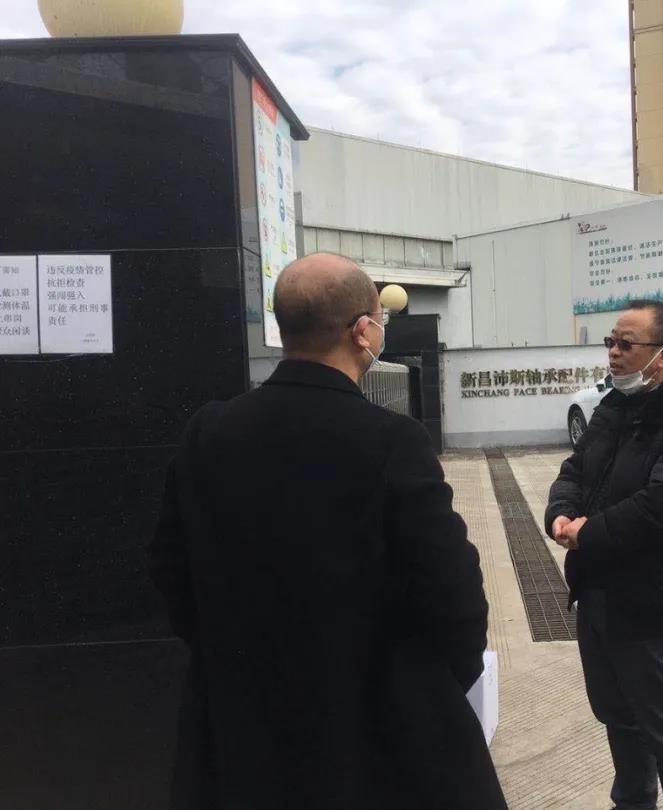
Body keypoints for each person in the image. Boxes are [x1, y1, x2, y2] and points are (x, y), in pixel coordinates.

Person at [149, 252, 505, 809]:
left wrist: (233, 660)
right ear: (363, 331)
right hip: (374, 734)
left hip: (241, 732)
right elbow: (453, 594)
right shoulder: (391, 440)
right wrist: (423, 687)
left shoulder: (208, 432)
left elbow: (172, 572)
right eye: (380, 320)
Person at [546, 300, 663, 810]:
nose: (614, 353)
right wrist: (561, 512)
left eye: (627, 344)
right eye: (611, 342)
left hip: (650, 603)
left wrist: (589, 533)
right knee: (618, 718)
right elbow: (576, 470)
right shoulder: (612, 409)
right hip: (598, 595)